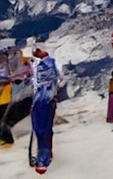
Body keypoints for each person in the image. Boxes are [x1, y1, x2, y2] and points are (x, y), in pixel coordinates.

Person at [28, 43, 60, 174]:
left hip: (43, 111)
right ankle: (44, 60)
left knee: (43, 89)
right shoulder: (45, 149)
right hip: (44, 110)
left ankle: (42, 61)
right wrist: (40, 162)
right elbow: (45, 151)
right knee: (45, 88)